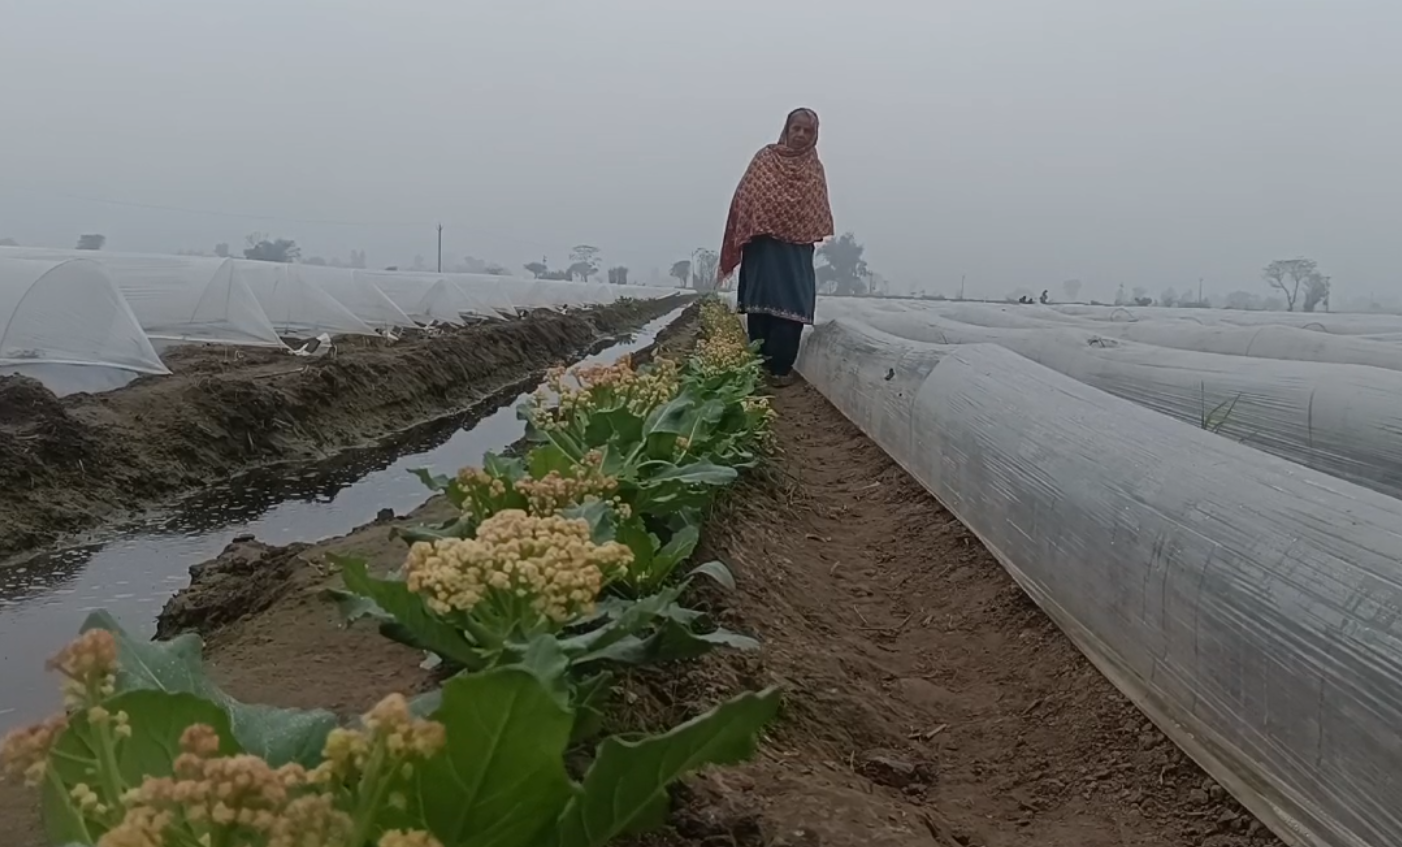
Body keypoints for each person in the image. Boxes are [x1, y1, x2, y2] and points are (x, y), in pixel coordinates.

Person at [717, 107, 834, 387]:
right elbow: (745, 198)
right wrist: (756, 223)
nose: (801, 135)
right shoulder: (765, 159)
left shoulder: (814, 169)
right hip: (763, 248)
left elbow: (815, 213)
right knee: (761, 304)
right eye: (797, 128)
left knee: (790, 304)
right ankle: (759, 364)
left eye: (808, 130)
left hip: (795, 252)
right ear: (786, 129)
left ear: (815, 135)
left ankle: (780, 369)